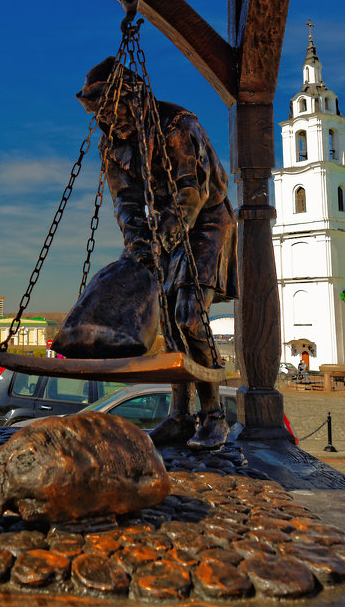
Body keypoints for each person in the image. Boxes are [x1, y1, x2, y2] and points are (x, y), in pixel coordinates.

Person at [76, 57, 237, 449]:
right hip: (163, 228)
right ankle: (180, 416)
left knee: (190, 315)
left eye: (114, 109)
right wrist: (137, 243)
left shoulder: (178, 127)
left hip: (206, 221)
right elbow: (125, 201)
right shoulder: (113, 143)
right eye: (102, 113)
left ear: (134, 98)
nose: (111, 121)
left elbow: (191, 193)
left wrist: (159, 239)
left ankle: (214, 416)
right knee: (166, 321)